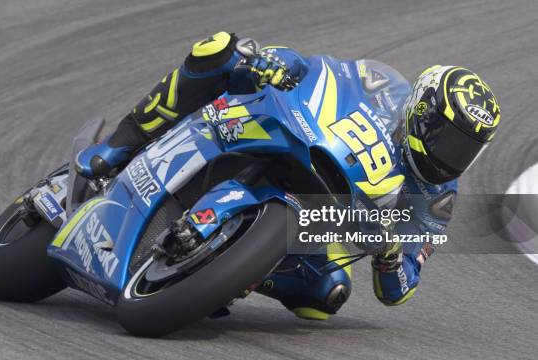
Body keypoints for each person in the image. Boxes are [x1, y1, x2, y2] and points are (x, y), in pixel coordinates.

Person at [75, 32, 501, 319]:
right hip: (301, 140)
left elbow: (399, 290)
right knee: (220, 49)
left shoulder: (438, 198)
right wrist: (280, 64)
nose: (452, 158)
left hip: (327, 221)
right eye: (449, 140)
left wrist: (390, 254)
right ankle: (119, 143)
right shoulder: (382, 86)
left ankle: (226, 274)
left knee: (327, 296)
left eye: (467, 149)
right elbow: (324, 71)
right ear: (421, 112)